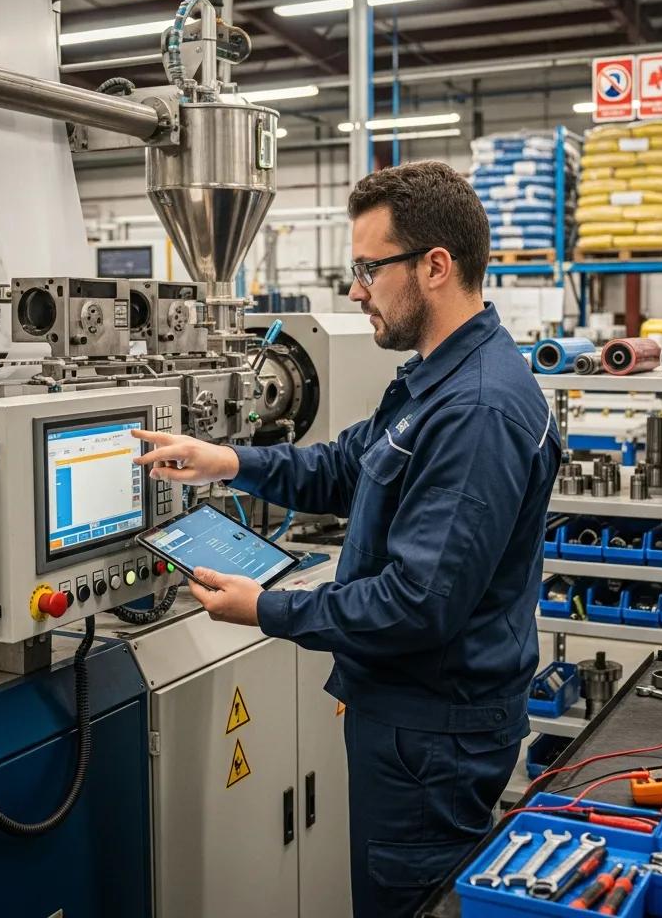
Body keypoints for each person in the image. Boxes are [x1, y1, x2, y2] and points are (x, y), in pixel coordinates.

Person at [134, 160, 561, 917]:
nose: (356, 290)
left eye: (368, 269)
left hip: (432, 736)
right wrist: (227, 461)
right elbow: (344, 467)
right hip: (412, 719)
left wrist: (267, 610)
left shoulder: (478, 409)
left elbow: (415, 604)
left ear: (435, 266)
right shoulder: (434, 378)